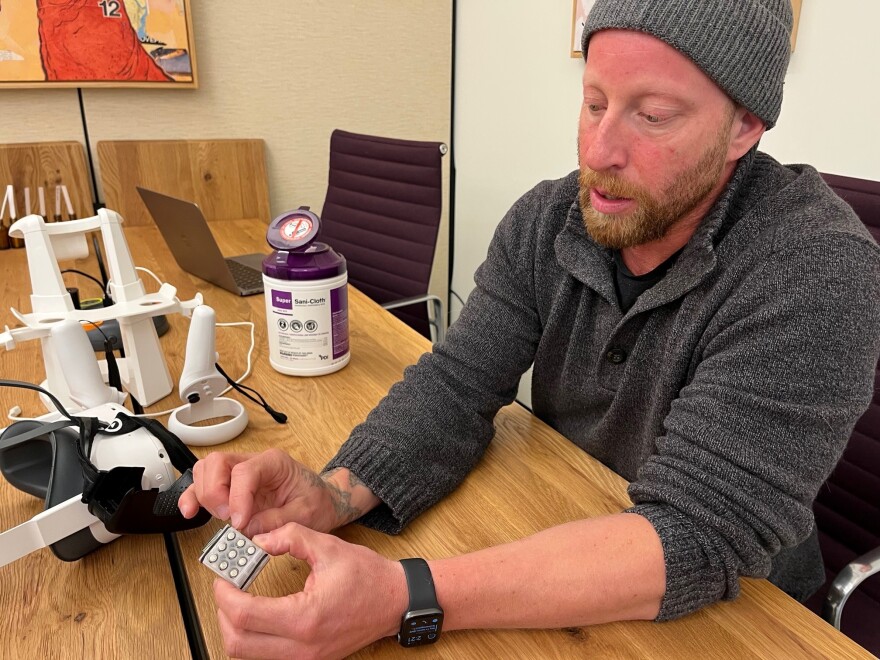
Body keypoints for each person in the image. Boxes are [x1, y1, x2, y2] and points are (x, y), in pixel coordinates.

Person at [179, 1, 880, 657]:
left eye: (655, 115)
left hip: (735, 614)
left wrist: (406, 595)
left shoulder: (817, 270)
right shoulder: (548, 222)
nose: (600, 149)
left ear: (745, 128)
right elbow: (457, 385)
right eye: (594, 101)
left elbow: (696, 532)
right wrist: (335, 493)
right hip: (560, 521)